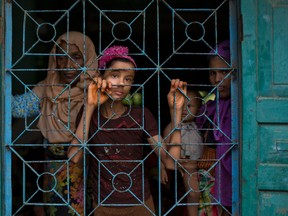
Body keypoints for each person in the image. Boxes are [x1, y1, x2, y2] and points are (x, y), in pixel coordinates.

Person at [67, 45, 187, 216]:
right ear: (101, 77)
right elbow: (74, 156)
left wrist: (176, 115)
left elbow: (170, 161)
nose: (122, 83)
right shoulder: (90, 115)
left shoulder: (141, 115)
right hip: (103, 206)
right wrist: (90, 105)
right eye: (115, 76)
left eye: (128, 79)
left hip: (140, 205)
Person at [12, 31, 99, 215]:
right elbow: (18, 108)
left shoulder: (98, 90)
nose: (68, 65)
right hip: (52, 176)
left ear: (88, 58)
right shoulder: (47, 87)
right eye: (61, 57)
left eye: (76, 57)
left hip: (90, 174)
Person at [196, 40, 232, 216]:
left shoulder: (242, 109)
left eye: (225, 72)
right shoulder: (208, 109)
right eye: (213, 73)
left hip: (233, 179)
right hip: (207, 181)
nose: (218, 79)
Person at [161, 90, 203, 216]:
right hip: (185, 166)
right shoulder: (172, 127)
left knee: (203, 194)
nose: (185, 109)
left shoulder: (201, 126)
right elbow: (163, 149)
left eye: (189, 106)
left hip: (203, 166)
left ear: (199, 109)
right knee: (193, 194)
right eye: (182, 105)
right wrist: (162, 169)